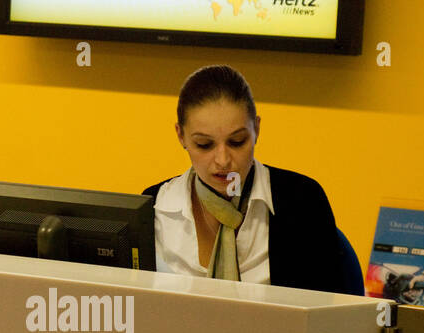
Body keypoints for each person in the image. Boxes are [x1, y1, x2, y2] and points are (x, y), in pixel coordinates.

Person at [142, 64, 362, 294]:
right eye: (204, 145)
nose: (223, 160)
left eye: (237, 141)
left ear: (256, 129)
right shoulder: (153, 207)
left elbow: (325, 316)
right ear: (180, 136)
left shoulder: (302, 201)